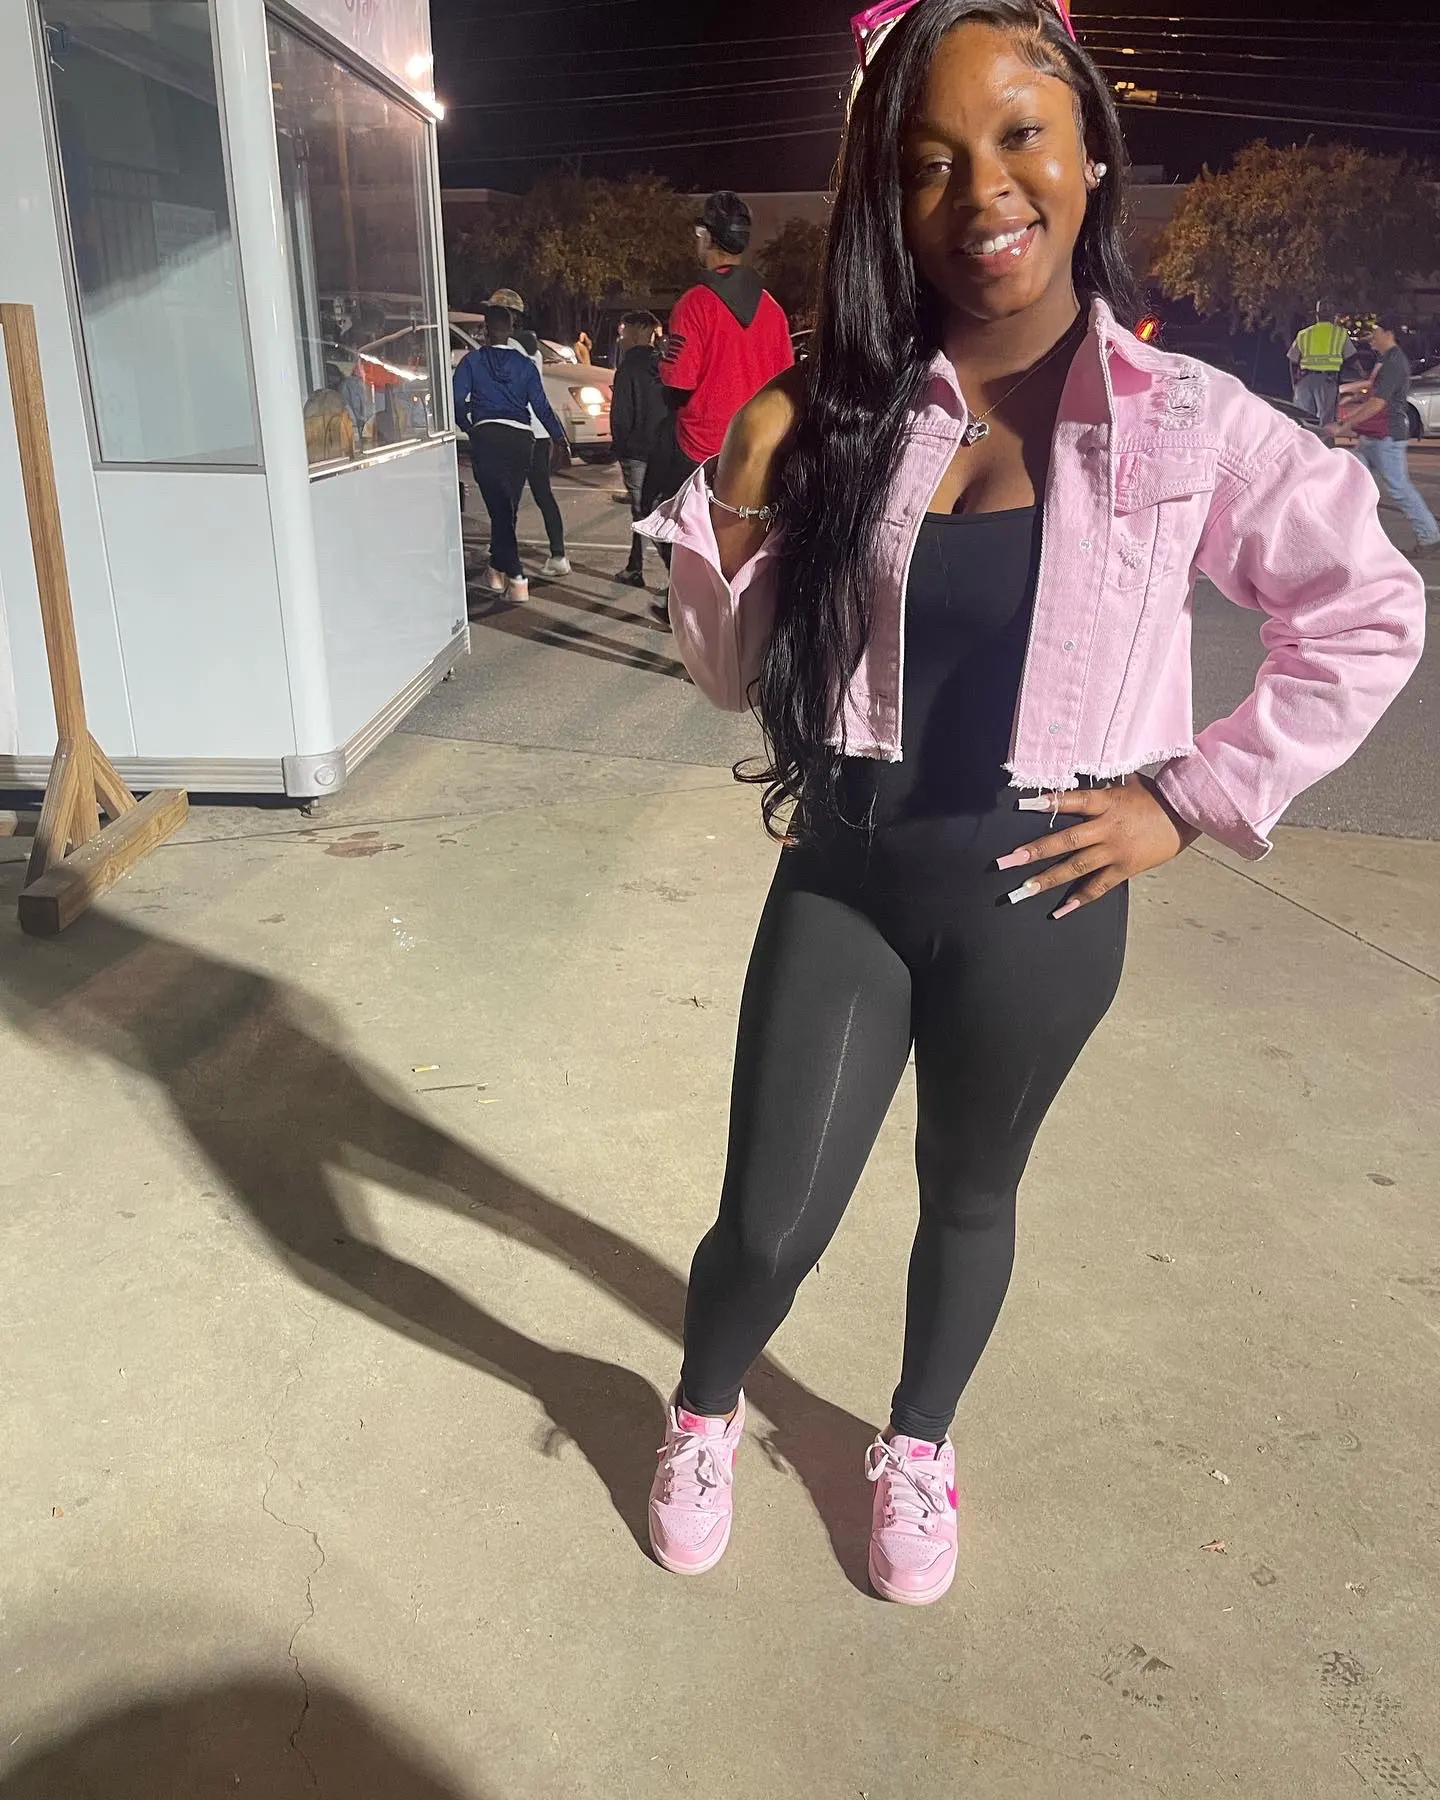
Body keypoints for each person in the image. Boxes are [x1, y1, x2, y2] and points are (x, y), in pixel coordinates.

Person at [635, 0, 1423, 1604]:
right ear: (888, 197)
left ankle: (917, 1444)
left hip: (1043, 902)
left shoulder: (1185, 419)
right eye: (929, 160)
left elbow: (1367, 607)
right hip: (847, 875)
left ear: (1088, 153)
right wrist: (745, 472)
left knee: (970, 1195)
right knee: (769, 1224)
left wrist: (1187, 801)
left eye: (1020, 136)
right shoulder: (851, 415)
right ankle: (704, 1410)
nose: (983, 188)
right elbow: (726, 678)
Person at [645, 191, 795, 624]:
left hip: (701, 447)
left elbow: (678, 384)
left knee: (658, 512)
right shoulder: (773, 309)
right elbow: (787, 382)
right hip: (758, 451)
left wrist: (661, 364)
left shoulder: (694, 303)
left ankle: (694, 606)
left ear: (707, 237)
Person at [453, 303, 570, 604]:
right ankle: (495, 570)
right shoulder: (525, 364)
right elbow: (541, 405)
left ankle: (517, 578)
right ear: (510, 330)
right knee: (506, 509)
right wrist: (559, 436)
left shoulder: (472, 361)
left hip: (489, 437)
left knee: (500, 510)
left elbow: (456, 401)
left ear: (484, 330)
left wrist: (470, 426)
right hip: (521, 440)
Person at [1326, 317, 1440, 559]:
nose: (1372, 337)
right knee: (1350, 482)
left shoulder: (1394, 362)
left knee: (1399, 489)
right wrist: (1353, 396)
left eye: (1376, 332)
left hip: (1386, 438)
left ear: (1389, 334)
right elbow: (1373, 391)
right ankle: (1344, 537)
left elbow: (1379, 403)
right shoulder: (1385, 360)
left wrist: (1344, 425)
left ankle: (1430, 537)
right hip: (1372, 438)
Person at [488, 289, 572, 579]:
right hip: (538, 432)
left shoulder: (507, 347)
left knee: (507, 496)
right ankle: (558, 555)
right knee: (542, 493)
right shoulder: (531, 346)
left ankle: (502, 559)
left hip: (516, 431)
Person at [609, 312, 667, 588]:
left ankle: (677, 575)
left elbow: (621, 415)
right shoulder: (664, 365)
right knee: (650, 510)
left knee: (646, 514)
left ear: (634, 333)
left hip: (636, 450)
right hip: (663, 449)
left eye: (624, 333)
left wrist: (619, 448)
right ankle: (634, 566)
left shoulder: (628, 368)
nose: (621, 339)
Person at [1288, 302, 1353, 427]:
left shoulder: (1304, 334)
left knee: (1302, 419)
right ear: (1333, 316)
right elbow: (1351, 358)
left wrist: (1294, 383)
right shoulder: (1340, 334)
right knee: (1326, 421)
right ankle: (1323, 439)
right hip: (1327, 381)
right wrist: (1361, 373)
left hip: (1305, 380)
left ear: (1317, 316)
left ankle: (1304, 439)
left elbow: (1293, 360)